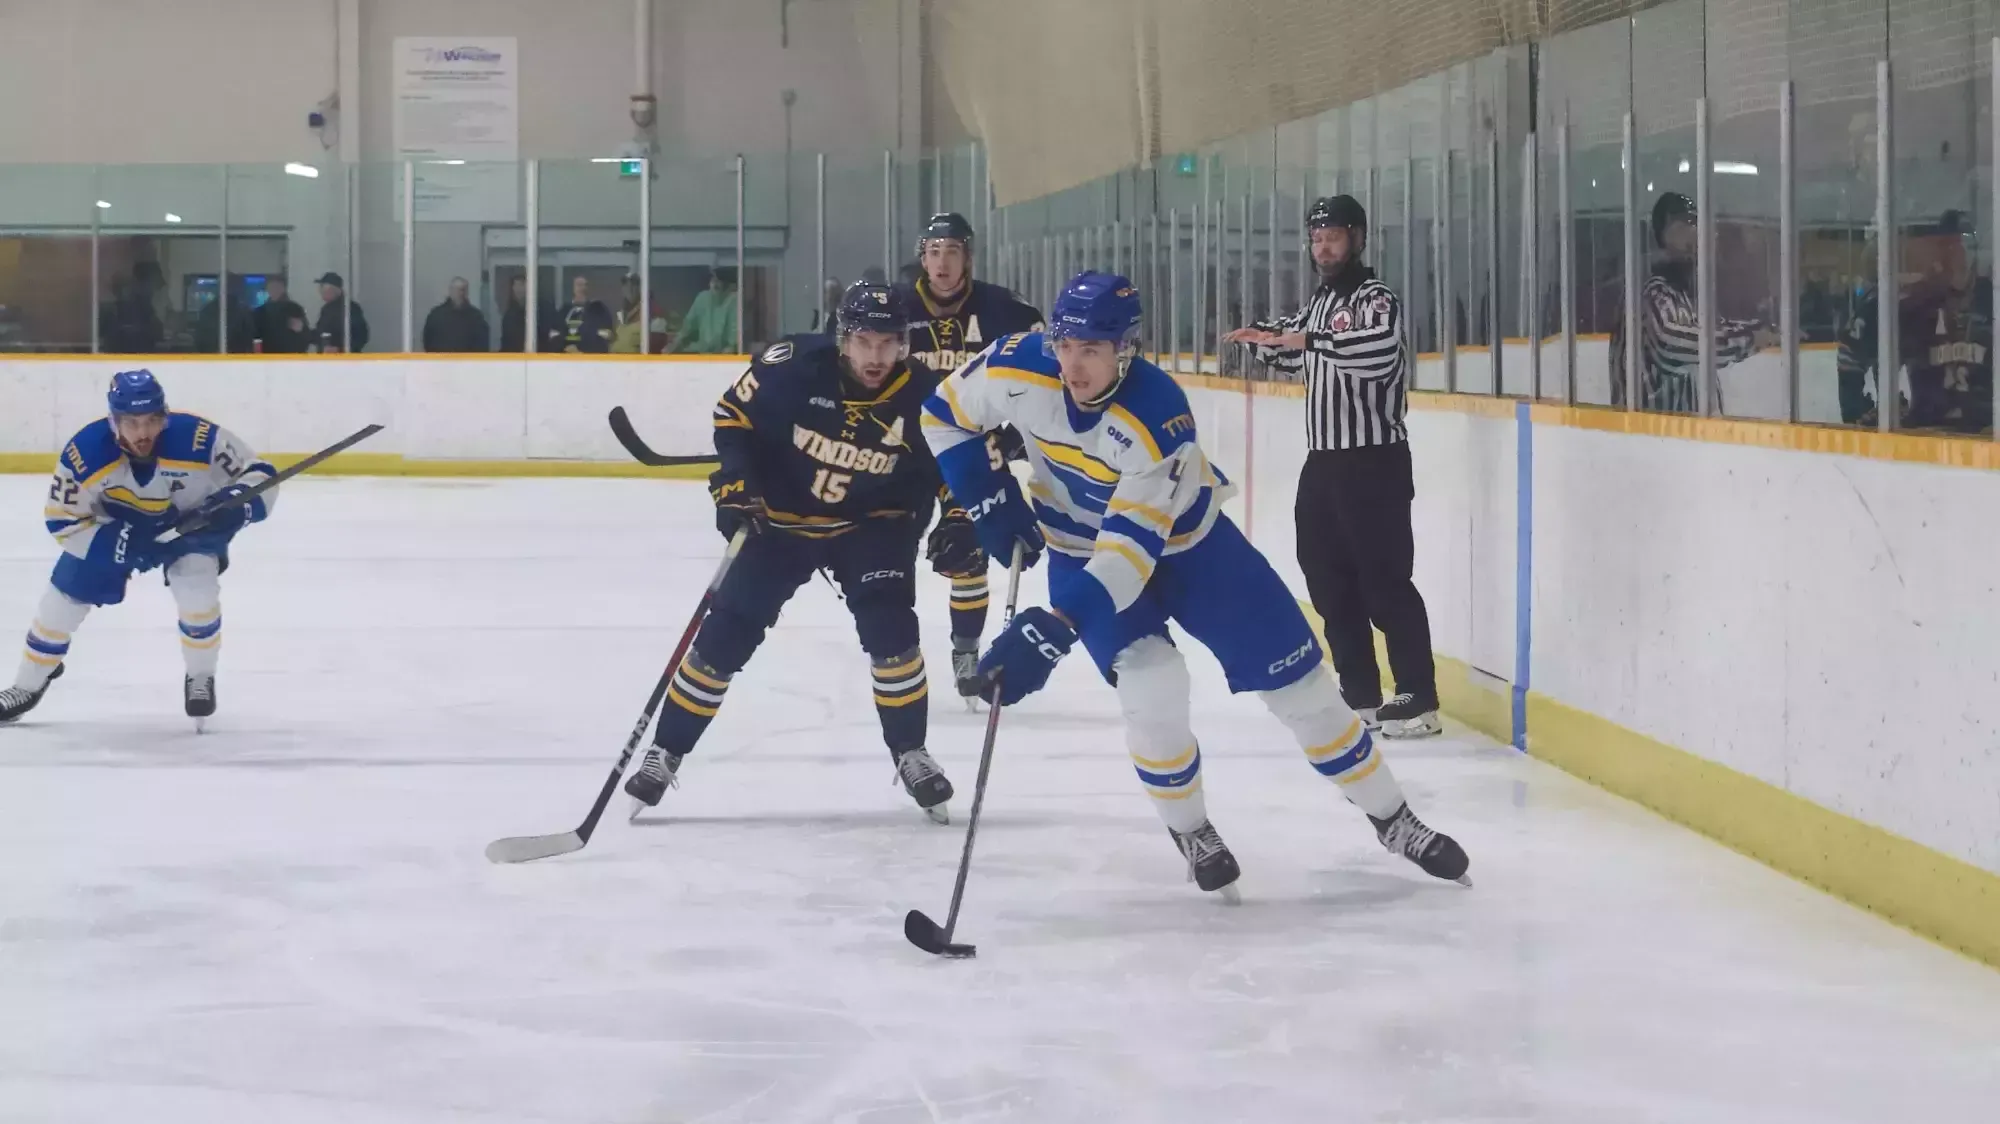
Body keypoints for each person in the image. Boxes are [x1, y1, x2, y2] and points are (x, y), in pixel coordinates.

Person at [929, 271, 1469, 896]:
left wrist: (1055, 627)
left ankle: (1392, 818)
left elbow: (1130, 555)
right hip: (1079, 551)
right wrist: (989, 501)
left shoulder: (1156, 415)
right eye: (1066, 347)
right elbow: (942, 414)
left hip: (1193, 550)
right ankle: (1191, 830)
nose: (1074, 368)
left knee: (1306, 693)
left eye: (1093, 351)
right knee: (1153, 684)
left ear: (1125, 350)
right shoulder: (1015, 367)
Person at [622, 282, 969, 823]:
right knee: (725, 635)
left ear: (903, 343)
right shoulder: (791, 366)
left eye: (887, 343)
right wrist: (735, 485)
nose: (875, 357)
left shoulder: (929, 393)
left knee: (892, 633)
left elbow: (955, 462)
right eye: (863, 342)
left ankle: (911, 753)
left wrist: (959, 518)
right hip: (780, 523)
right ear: (842, 339)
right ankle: (666, 750)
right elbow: (733, 420)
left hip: (871, 526)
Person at [1226, 195, 1441, 739]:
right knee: (1326, 576)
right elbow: (1297, 348)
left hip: (1374, 461)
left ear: (1358, 239)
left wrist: (1307, 339)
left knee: (1385, 580)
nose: (1323, 248)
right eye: (1317, 238)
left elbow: (1375, 350)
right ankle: (1360, 691)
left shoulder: (1376, 299)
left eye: (1334, 237)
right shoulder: (1319, 304)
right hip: (1323, 463)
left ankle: (1417, 696)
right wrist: (1262, 339)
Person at [1, 370, 278, 726]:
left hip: (190, 533)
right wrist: (117, 543)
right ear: (113, 421)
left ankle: (200, 676)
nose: (143, 432)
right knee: (60, 603)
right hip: (114, 532)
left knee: (198, 595)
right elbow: (62, 520)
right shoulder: (85, 453)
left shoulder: (200, 438)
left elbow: (260, 474)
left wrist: (238, 505)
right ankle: (27, 685)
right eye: (131, 422)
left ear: (164, 416)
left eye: (151, 420)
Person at [893, 212, 1046, 701]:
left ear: (968, 258)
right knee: (888, 549)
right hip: (903, 449)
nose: (942, 262)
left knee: (966, 548)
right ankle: (894, 647)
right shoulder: (893, 309)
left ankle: (966, 650)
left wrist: (1013, 439)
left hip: (971, 449)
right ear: (922, 258)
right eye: (934, 252)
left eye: (952, 252)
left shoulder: (1006, 311)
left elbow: (1043, 381)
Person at [1609, 192, 1773, 414]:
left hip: (1678, 441)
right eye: (1683, 230)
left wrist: (1761, 328)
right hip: (1651, 440)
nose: (1695, 242)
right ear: (1663, 238)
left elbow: (1713, 328)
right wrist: (1751, 337)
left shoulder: (1681, 294)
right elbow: (1674, 344)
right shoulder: (1650, 290)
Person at [1839, 211, 1992, 433]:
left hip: (1989, 434)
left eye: (1962, 244)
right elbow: (1851, 351)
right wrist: (1866, 408)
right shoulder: (1916, 303)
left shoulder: (1990, 300)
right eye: (1946, 245)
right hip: (1928, 435)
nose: (1956, 252)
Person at [672, 267, 739, 354]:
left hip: (727, 360)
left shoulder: (735, 300)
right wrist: (672, 347)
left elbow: (733, 344)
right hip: (701, 357)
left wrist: (721, 361)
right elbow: (687, 329)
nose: (715, 283)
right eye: (713, 279)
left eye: (719, 280)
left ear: (731, 285)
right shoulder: (703, 298)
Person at [546, 275, 614, 353]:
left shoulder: (599, 310)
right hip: (565, 360)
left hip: (590, 361)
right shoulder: (563, 311)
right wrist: (565, 348)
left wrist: (582, 351)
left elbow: (605, 336)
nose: (582, 288)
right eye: (579, 285)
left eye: (585, 285)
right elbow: (554, 335)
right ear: (572, 289)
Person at [422, 277, 491, 353]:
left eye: (463, 290)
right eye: (457, 290)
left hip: (468, 362)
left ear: (467, 292)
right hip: (441, 362)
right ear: (450, 291)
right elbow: (428, 341)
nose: (461, 293)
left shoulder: (476, 317)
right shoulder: (436, 315)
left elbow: (483, 343)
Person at [250, 276, 312, 353]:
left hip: (290, 356)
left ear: (283, 289)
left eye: (277, 287)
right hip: (267, 356)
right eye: (271, 287)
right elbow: (255, 336)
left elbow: (305, 334)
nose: (274, 290)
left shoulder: (294, 309)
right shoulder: (260, 311)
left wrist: (300, 330)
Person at [312, 272, 370, 353]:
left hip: (345, 361)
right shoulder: (326, 309)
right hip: (327, 361)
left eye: (323, 288)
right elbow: (320, 333)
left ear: (335, 290)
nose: (320, 291)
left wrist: (340, 349)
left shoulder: (350, 308)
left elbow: (361, 336)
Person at [611, 273, 668, 354]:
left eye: (634, 284)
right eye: (625, 284)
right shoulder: (621, 314)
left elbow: (657, 344)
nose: (629, 288)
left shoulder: (653, 311)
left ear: (642, 288)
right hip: (618, 364)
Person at [499, 275, 535, 353]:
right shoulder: (509, 315)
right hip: (515, 360)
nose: (519, 289)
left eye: (521, 285)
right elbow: (506, 342)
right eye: (516, 286)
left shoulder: (541, 311)